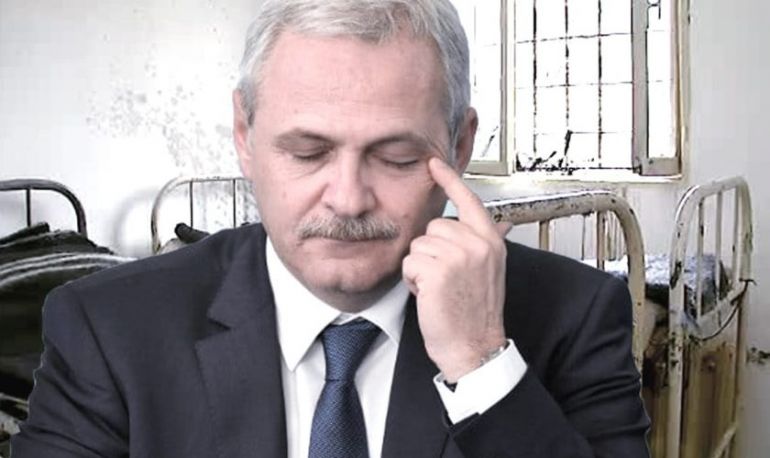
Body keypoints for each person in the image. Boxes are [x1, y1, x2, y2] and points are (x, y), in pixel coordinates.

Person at [12, 1, 649, 457]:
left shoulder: (575, 314)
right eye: (308, 152)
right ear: (244, 135)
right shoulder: (108, 326)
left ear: (458, 147)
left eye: (397, 157)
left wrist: (481, 364)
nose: (347, 200)